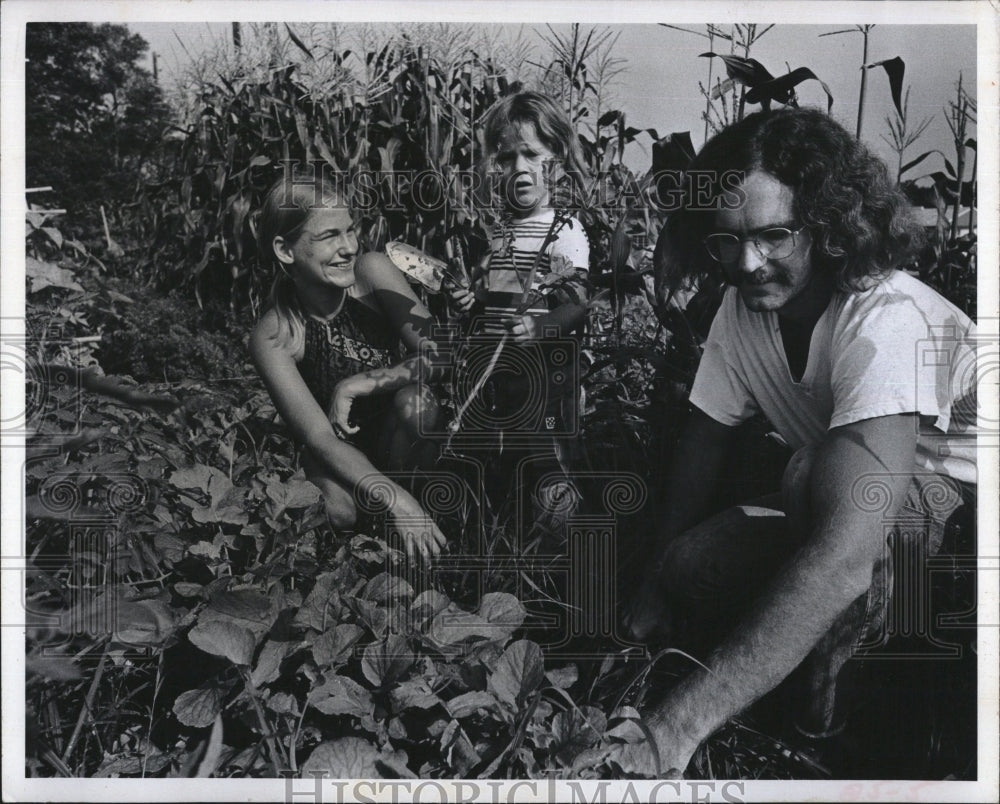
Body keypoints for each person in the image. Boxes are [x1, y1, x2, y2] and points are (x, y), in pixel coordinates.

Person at [620, 107, 977, 775]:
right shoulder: (739, 310)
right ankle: (791, 657)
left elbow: (845, 555)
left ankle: (827, 724)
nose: (747, 263)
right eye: (726, 241)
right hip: (855, 495)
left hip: (968, 512)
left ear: (829, 222)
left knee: (810, 474)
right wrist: (653, 584)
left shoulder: (884, 320)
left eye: (773, 235)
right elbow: (704, 442)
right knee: (690, 567)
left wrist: (674, 726)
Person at [249, 172, 447, 566]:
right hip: (341, 458)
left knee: (417, 404)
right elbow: (320, 439)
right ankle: (344, 565)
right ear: (285, 250)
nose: (349, 248)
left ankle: (429, 528)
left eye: (351, 231)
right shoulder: (275, 335)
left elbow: (441, 355)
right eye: (329, 237)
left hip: (400, 439)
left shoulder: (371, 273)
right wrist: (396, 499)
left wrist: (357, 385)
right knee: (336, 511)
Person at [447, 91, 591, 536]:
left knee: (546, 453)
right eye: (507, 158)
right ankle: (505, 534)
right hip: (503, 370)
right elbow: (495, 297)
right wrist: (472, 303)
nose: (519, 168)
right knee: (507, 450)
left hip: (547, 373)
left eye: (532, 154)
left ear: (559, 162)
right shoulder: (502, 233)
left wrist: (541, 326)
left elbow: (577, 302)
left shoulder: (564, 230)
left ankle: (555, 544)